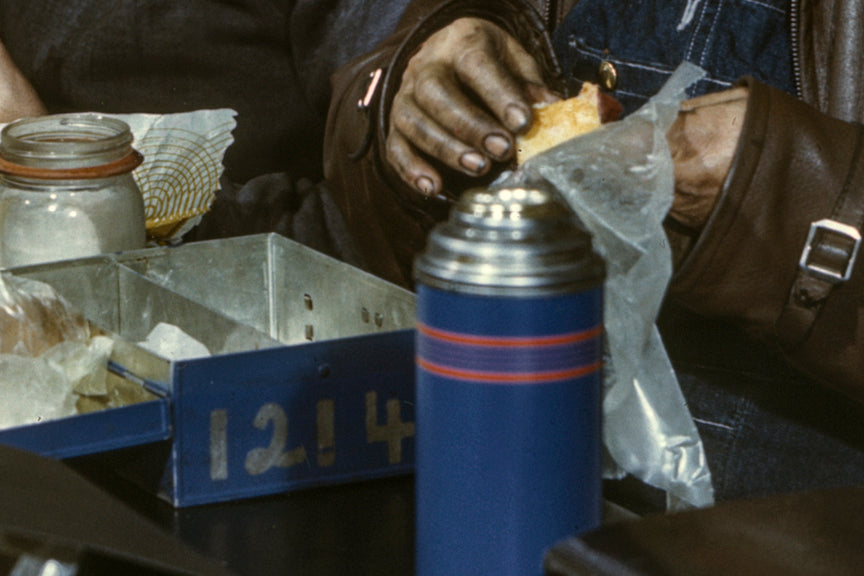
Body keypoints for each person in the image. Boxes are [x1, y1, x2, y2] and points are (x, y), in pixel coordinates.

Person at [321, 0, 864, 506]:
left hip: (783, 522)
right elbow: (351, 150)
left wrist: (790, 187)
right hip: (498, 476)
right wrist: (413, 96)